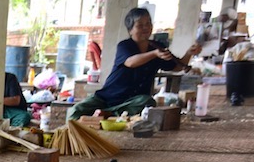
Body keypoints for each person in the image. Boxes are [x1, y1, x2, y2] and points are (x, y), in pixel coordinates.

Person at [69, 8, 201, 120]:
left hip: (133, 101)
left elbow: (177, 66)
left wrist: (189, 53)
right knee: (76, 111)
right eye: (140, 25)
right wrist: (154, 54)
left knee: (148, 102)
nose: (146, 28)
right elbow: (130, 62)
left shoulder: (156, 47)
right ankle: (107, 113)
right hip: (108, 97)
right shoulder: (125, 46)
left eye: (148, 24)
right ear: (130, 29)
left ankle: (108, 114)